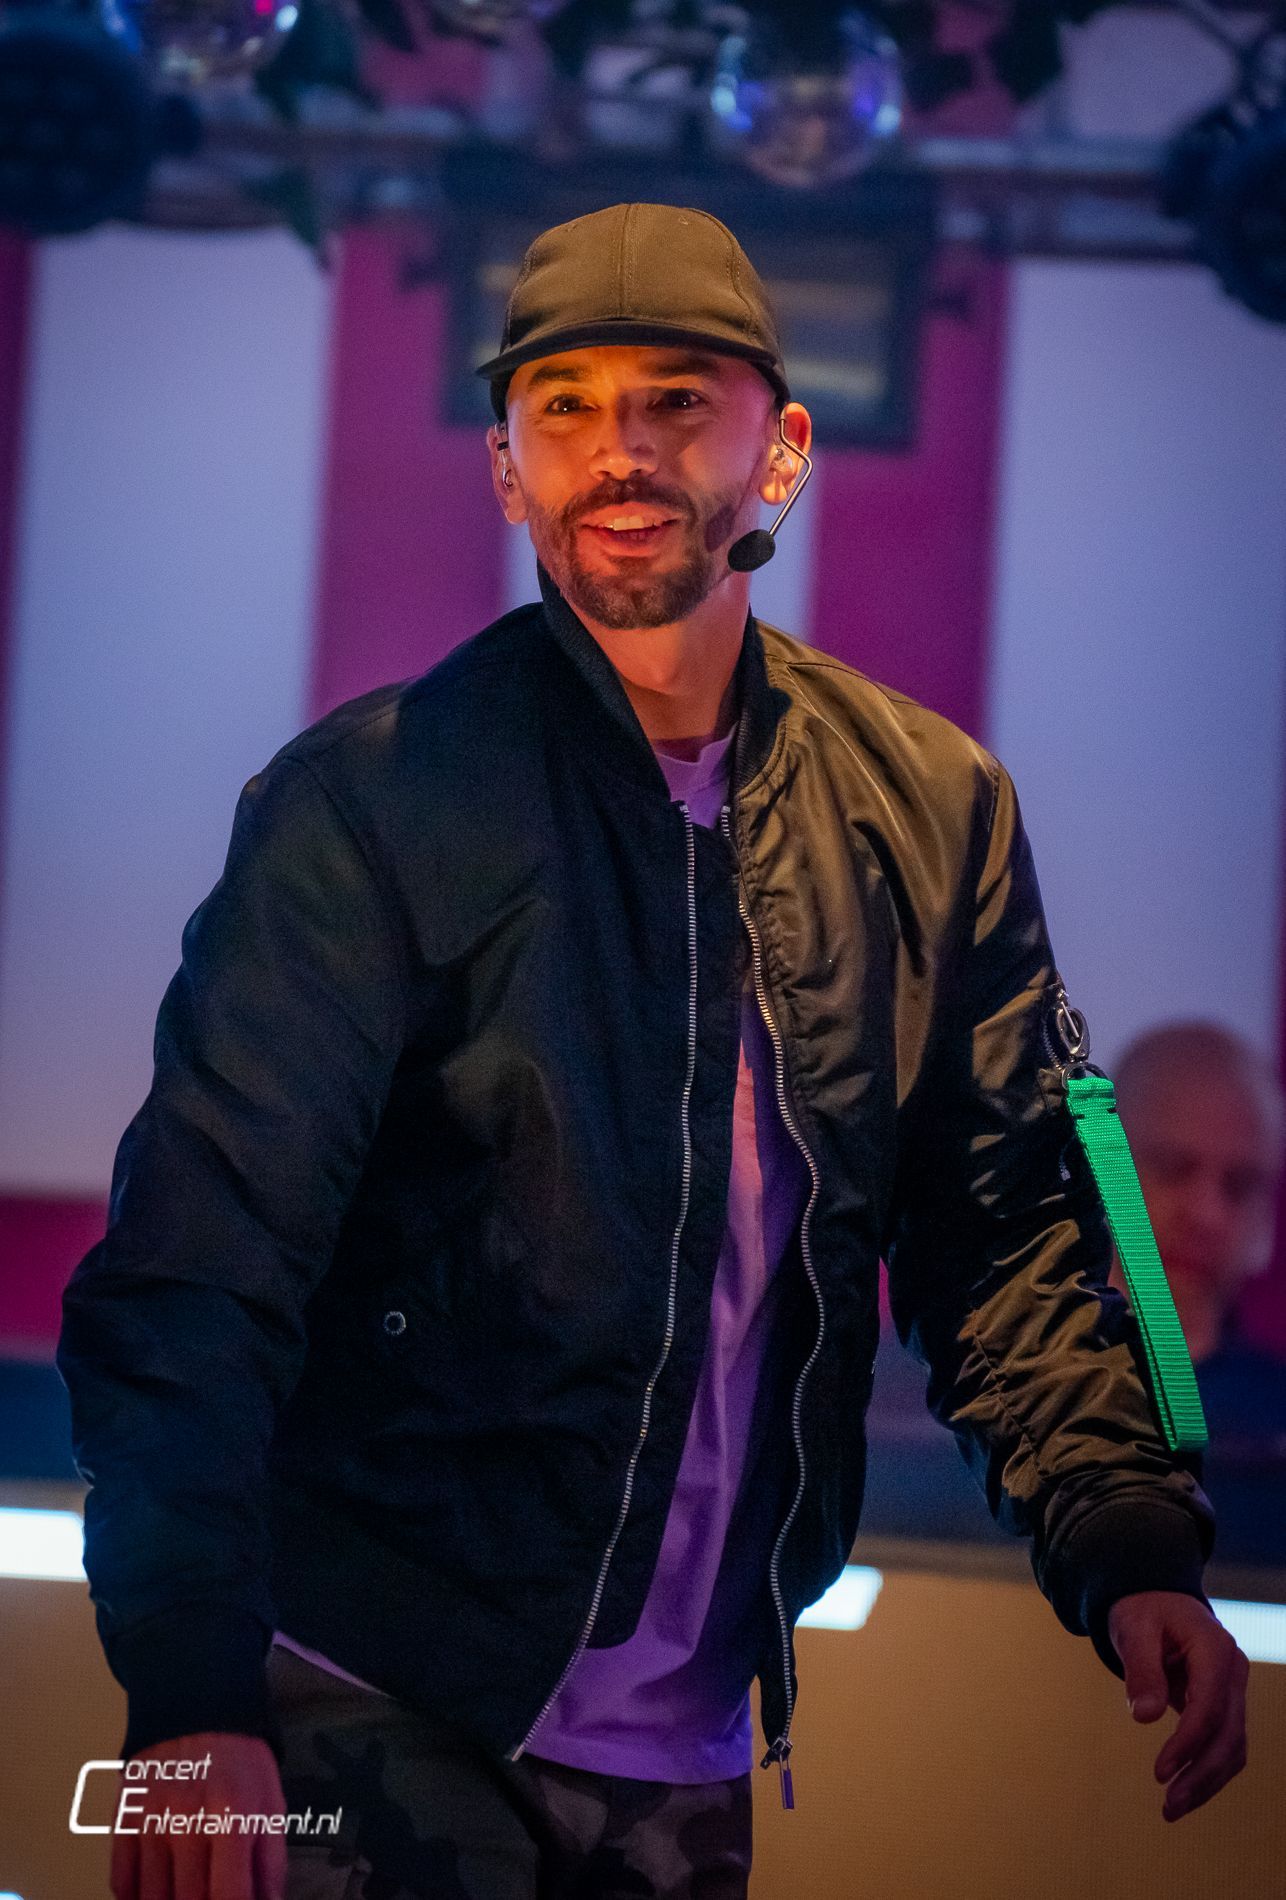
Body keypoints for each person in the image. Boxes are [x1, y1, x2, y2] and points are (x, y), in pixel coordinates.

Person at [57, 203, 1248, 1900]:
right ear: (505, 467)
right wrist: (184, 1689)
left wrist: (1131, 1541)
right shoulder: (366, 804)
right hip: (361, 1679)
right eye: (563, 406)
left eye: (676, 400)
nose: (617, 449)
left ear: (783, 450)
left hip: (687, 1751)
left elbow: (1015, 1241)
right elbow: (198, 1263)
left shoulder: (933, 809)